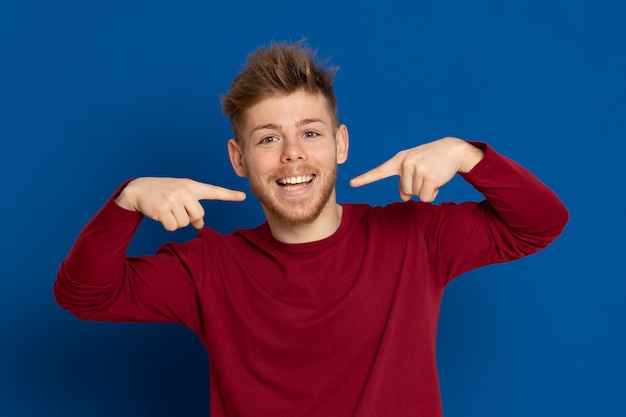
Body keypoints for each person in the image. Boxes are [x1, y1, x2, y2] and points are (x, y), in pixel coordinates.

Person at [54, 40, 569, 417]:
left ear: (340, 145)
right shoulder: (207, 268)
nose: (293, 153)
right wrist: (127, 201)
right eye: (268, 139)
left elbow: (540, 223)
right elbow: (84, 295)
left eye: (310, 132)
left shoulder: (415, 237)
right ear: (239, 159)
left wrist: (466, 155)